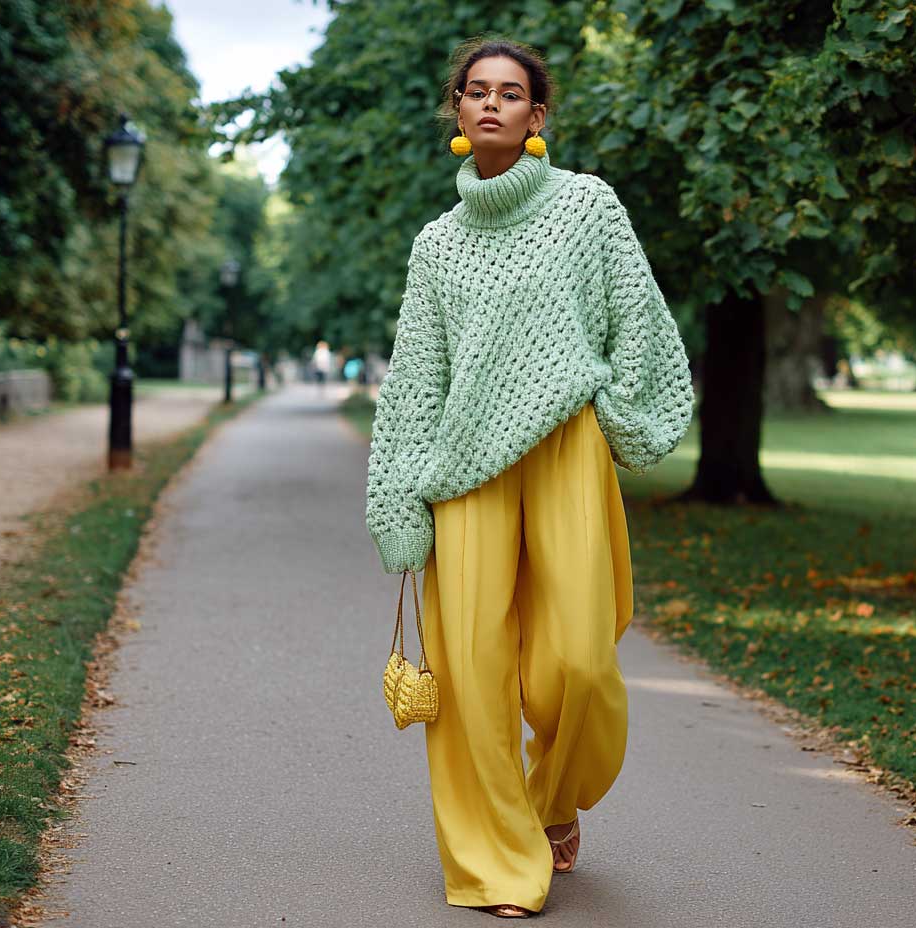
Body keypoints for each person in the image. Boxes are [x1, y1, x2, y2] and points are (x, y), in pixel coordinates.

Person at [363, 37, 694, 919]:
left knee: (577, 664)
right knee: (470, 676)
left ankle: (550, 804)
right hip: (465, 472)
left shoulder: (588, 207)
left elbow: (642, 324)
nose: (492, 104)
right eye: (476, 92)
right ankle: (501, 866)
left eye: (512, 93)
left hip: (565, 455)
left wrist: (622, 417)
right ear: (458, 115)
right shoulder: (437, 245)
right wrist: (400, 495)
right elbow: (415, 380)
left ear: (537, 117)